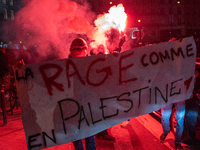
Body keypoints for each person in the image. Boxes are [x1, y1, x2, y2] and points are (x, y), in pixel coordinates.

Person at [69, 38, 96, 150]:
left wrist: (115, 59)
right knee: (76, 136)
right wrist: (22, 69)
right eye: (77, 49)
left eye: (83, 48)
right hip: (72, 107)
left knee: (90, 135)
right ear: (71, 51)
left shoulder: (93, 64)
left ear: (86, 49)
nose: (80, 50)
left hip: (89, 106)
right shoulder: (64, 67)